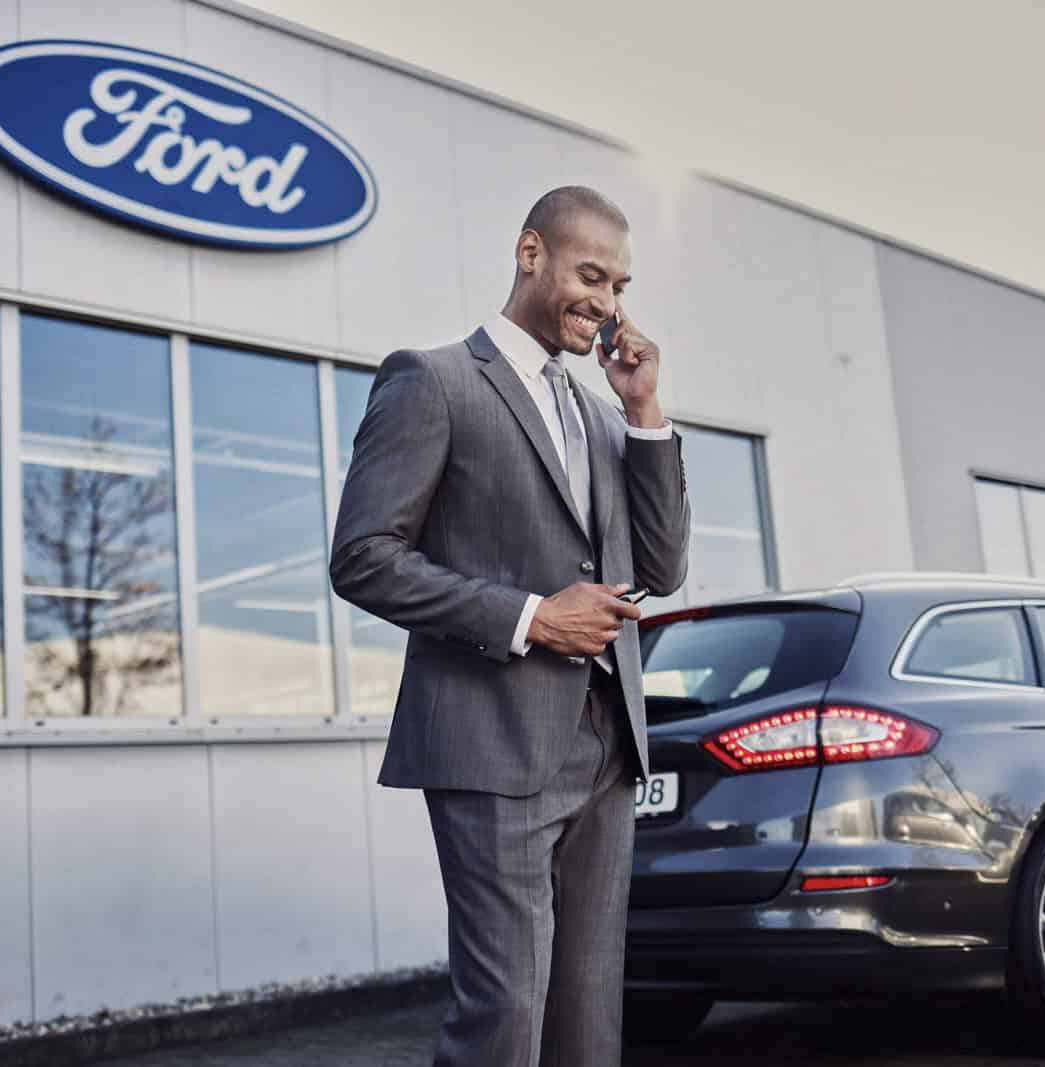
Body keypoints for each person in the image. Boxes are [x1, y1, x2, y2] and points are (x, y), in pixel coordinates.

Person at [329, 185, 691, 1066]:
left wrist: (644, 412)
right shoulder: (433, 380)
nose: (606, 302)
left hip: (607, 748)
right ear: (531, 253)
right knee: (505, 1014)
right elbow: (364, 556)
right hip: (491, 744)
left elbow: (661, 567)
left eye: (619, 286)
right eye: (591, 276)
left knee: (587, 1018)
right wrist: (533, 617)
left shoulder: (604, 415)